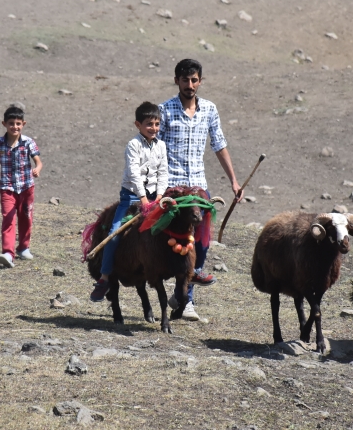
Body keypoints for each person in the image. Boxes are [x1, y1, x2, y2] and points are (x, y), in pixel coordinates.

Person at [159, 58, 243, 322]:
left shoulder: (209, 109)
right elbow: (156, 149)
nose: (190, 85)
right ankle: (180, 298)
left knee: (202, 243)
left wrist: (233, 180)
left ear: (200, 81)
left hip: (199, 187)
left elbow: (219, 144)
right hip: (172, 187)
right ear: (177, 81)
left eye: (194, 80)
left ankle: (184, 296)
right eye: (185, 80)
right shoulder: (165, 110)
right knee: (170, 242)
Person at [90, 102, 168, 302]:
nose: (154, 128)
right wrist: (142, 199)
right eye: (149, 124)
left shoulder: (161, 145)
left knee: (170, 229)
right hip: (132, 197)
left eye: (157, 124)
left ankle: (173, 269)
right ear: (138, 124)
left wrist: (159, 196)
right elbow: (133, 172)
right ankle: (105, 276)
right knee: (114, 233)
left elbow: (163, 172)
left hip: (154, 197)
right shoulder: (133, 145)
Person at [0, 104, 43, 268]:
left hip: (26, 187)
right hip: (7, 187)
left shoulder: (28, 143)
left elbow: (38, 162)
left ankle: (23, 247)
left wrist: (37, 169)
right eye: (11, 123)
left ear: (23, 124)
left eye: (18, 123)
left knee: (26, 217)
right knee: (8, 217)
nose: (15, 126)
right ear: (4, 124)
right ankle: (8, 252)